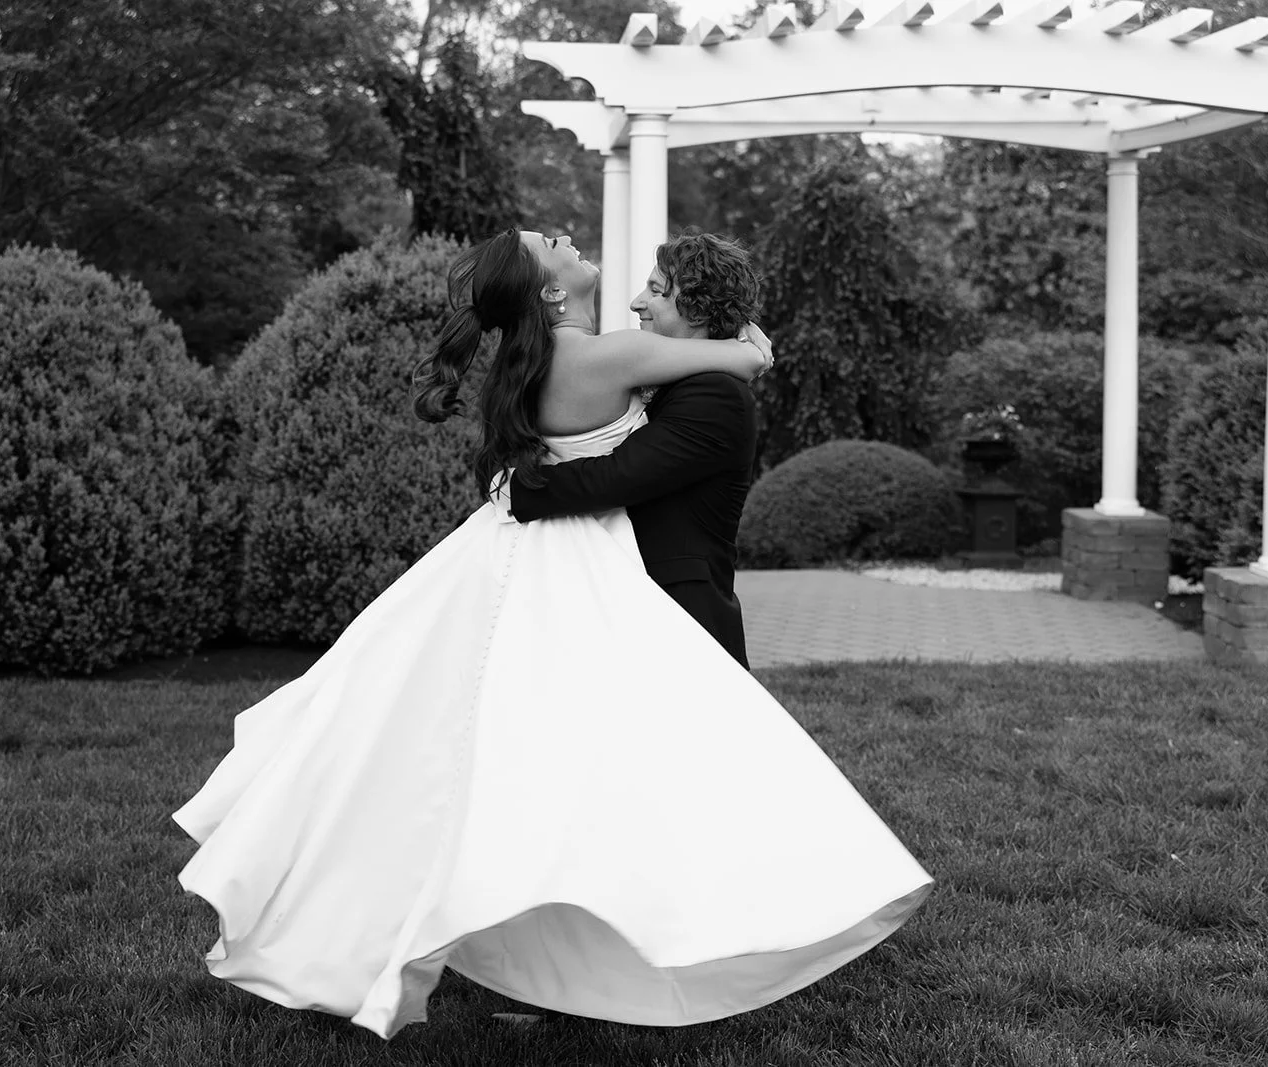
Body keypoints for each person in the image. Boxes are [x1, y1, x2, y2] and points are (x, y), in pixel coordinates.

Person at [172, 227, 932, 1041]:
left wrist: (518, 485)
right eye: (553, 243)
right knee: (564, 774)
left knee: (512, 765)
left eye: (657, 284)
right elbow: (743, 361)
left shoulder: (551, 356)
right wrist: (747, 346)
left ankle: (548, 937)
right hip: (569, 567)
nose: (570, 238)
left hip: (543, 559)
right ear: (551, 293)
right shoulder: (604, 355)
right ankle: (590, 944)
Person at [508, 232, 762, 666]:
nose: (636, 302)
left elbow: (616, 477)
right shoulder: (660, 380)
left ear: (698, 309)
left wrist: (519, 488)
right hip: (619, 604)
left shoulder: (716, 396)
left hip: (682, 620)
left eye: (657, 291)